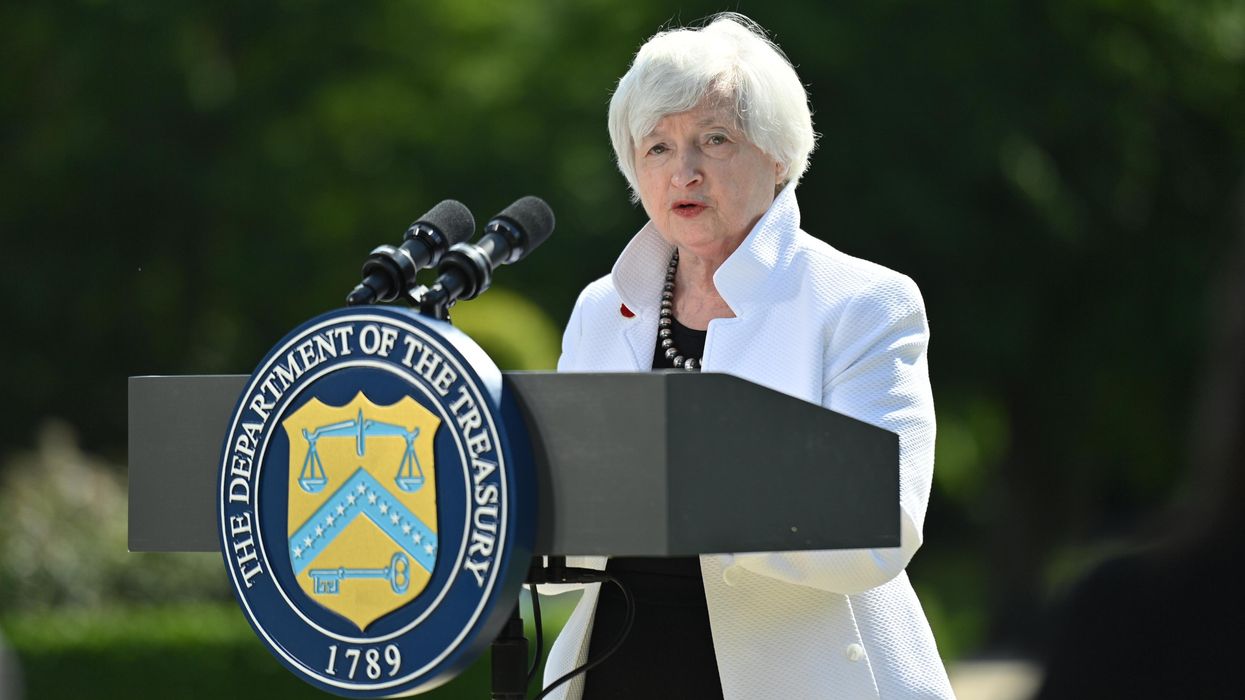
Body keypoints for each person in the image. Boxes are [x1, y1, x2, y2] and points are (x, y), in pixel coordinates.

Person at [547, 13, 953, 699]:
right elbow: (563, 535)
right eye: (657, 147)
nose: (684, 172)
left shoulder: (861, 303)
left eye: (715, 140)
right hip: (617, 673)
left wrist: (679, 485)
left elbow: (886, 521)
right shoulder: (601, 308)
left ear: (778, 157)